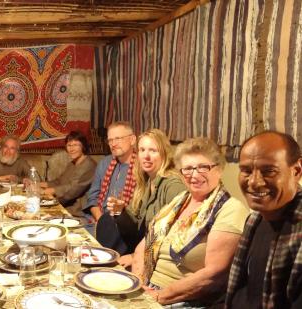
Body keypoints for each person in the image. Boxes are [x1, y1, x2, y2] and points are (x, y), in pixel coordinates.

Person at [130, 137, 249, 307]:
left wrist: (158, 297)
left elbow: (214, 275)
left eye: (203, 167)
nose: (194, 175)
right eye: (187, 169)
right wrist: (138, 284)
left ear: (219, 169)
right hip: (147, 288)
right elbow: (143, 247)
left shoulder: (231, 210)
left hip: (181, 300)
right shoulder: (179, 201)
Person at [226, 131, 302, 308]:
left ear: (297, 171)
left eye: (269, 171)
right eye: (246, 171)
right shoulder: (255, 218)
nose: (254, 182)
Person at [106, 129, 185, 262]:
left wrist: (135, 257)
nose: (146, 156)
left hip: (162, 261)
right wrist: (120, 212)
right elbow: (134, 229)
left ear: (164, 154)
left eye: (153, 151)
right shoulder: (146, 181)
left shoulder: (173, 185)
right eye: (142, 150)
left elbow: (175, 236)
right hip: (142, 252)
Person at [83, 121, 137, 221]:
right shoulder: (104, 163)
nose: (113, 144)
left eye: (118, 138)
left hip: (125, 225)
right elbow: (92, 197)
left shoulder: (141, 167)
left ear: (132, 139)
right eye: (110, 140)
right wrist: (101, 220)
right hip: (96, 220)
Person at [40, 131, 97, 219]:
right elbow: (59, 181)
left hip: (78, 212)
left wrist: (50, 190)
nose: (72, 149)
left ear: (83, 146)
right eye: (69, 145)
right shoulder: (72, 164)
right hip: (66, 207)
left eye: (75, 145)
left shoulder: (89, 165)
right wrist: (39, 184)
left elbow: (73, 189)